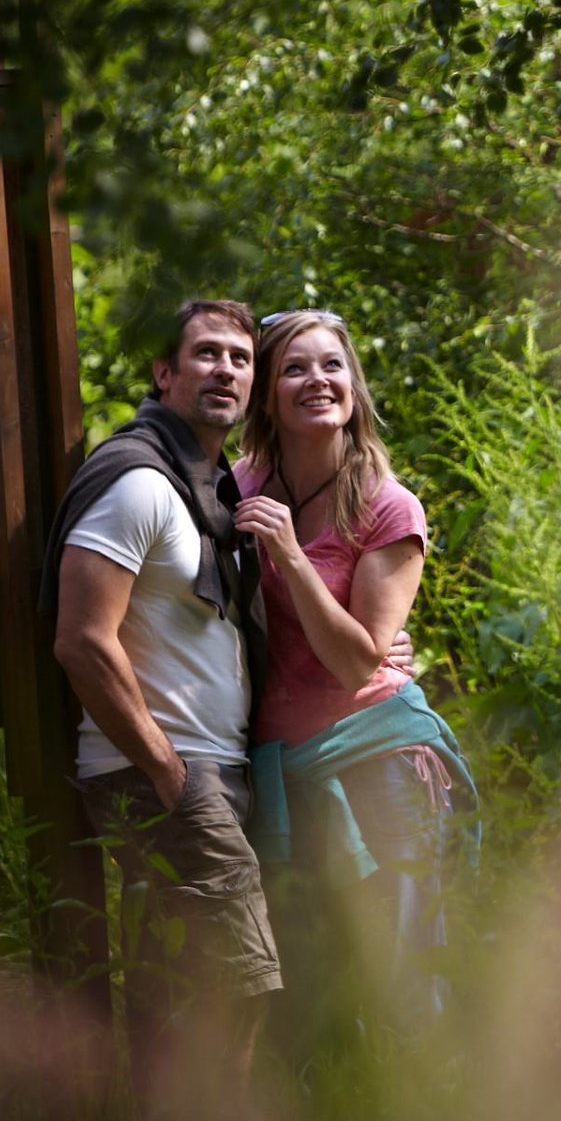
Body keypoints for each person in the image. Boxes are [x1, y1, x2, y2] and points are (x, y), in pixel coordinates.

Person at [42, 297, 276, 1092]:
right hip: (166, 774)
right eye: (207, 354)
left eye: (241, 359)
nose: (227, 371)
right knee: (242, 984)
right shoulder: (137, 481)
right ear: (164, 371)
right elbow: (80, 637)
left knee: (171, 989)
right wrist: (168, 772)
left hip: (204, 768)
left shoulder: (213, 489)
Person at [230, 308, 475, 1038]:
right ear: (267, 391)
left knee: (403, 977)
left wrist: (292, 556)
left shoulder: (385, 505)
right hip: (279, 769)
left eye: (332, 365)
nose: (317, 380)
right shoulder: (237, 484)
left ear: (354, 384)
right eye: (295, 368)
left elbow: (355, 658)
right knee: (310, 984)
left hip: (379, 765)